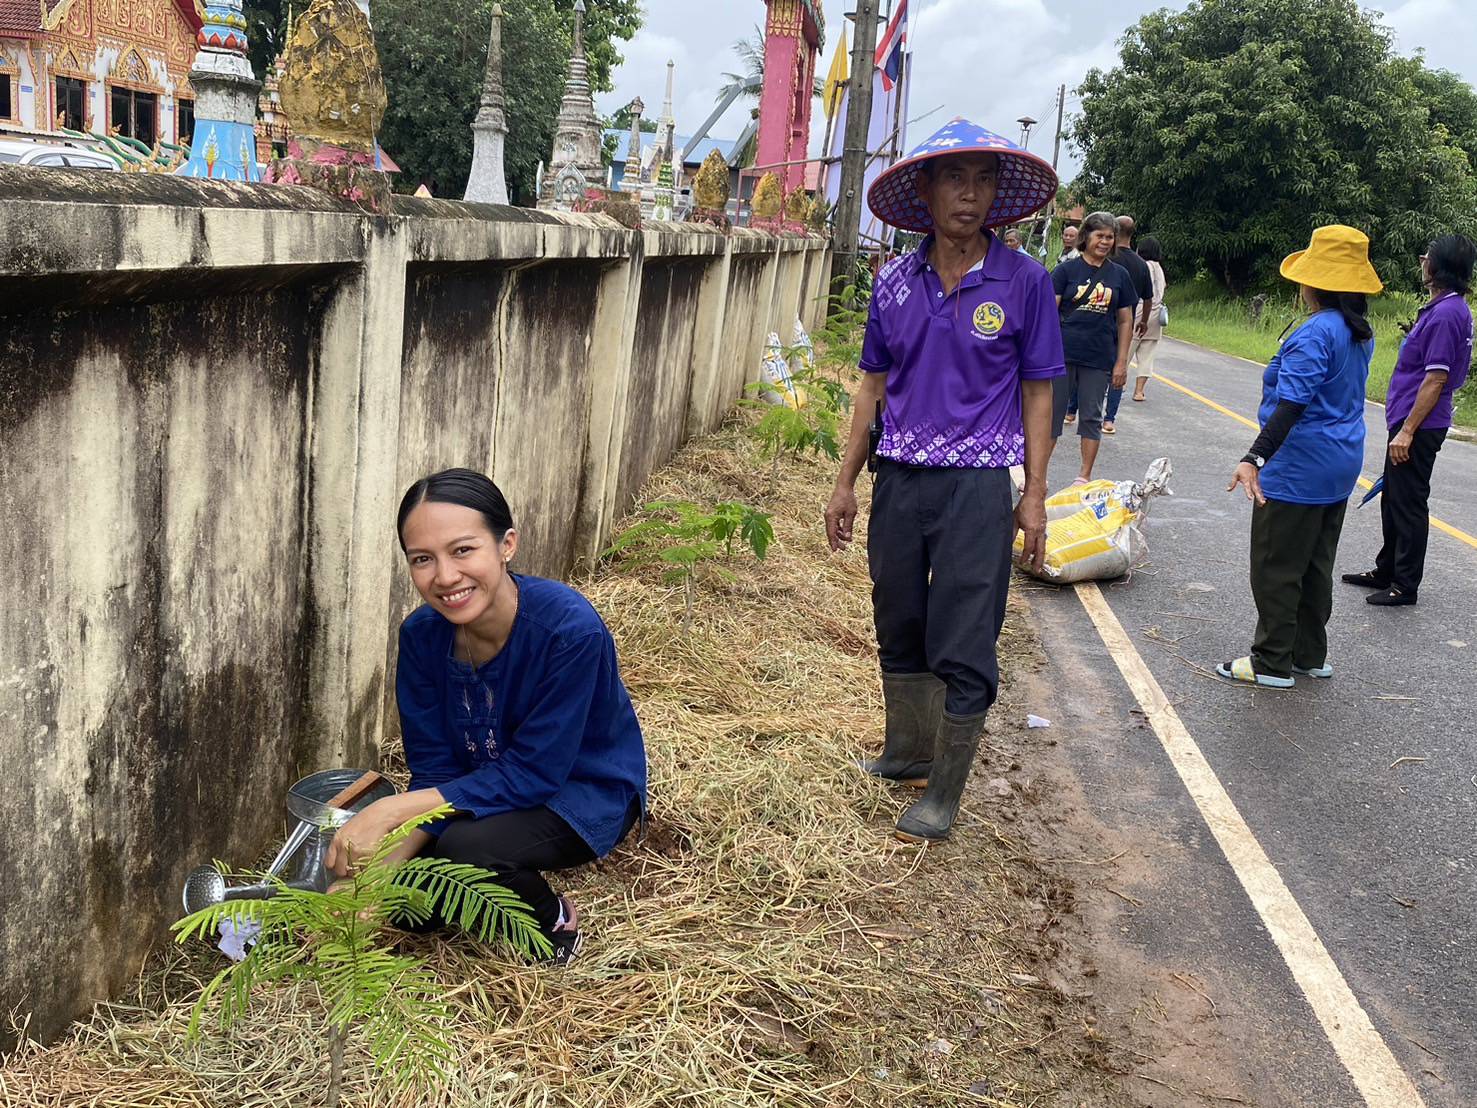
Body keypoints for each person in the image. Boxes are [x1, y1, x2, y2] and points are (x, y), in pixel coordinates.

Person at [824, 117, 1063, 843]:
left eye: (984, 179)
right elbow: (871, 386)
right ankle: (905, 751)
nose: (970, 194)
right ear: (922, 190)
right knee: (896, 617)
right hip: (899, 479)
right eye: (954, 178)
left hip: (975, 489)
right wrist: (844, 482)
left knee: (962, 637)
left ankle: (944, 795)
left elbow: (1038, 395)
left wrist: (1033, 496)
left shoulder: (1023, 283)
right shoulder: (893, 281)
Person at [324, 469, 647, 964]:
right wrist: (381, 871)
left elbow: (535, 773)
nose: (445, 577)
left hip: (582, 790)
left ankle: (553, 920)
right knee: (412, 905)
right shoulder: (421, 636)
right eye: (422, 559)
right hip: (483, 785)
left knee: (466, 852)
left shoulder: (569, 630)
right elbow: (435, 768)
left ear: (506, 545)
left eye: (463, 550)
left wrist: (390, 811)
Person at [1219, 225, 1381, 688]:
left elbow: (1293, 403)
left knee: (1276, 562)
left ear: (1314, 282)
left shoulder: (1317, 333)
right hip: (1341, 460)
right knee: (1315, 561)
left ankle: (1271, 661)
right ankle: (1309, 654)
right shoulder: (1358, 329)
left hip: (1301, 462)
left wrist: (1255, 457)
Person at [1343, 235, 1474, 606]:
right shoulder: (1442, 308)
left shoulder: (1449, 314)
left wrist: (1408, 431)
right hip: (1407, 419)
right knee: (1394, 498)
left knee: (1409, 502)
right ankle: (1386, 569)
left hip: (1420, 424)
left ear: (1441, 267)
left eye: (1428, 256)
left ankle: (1405, 584)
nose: (1422, 259)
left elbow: (1436, 378)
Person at [1050, 211, 1137, 482]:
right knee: (1050, 418)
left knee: (1091, 418)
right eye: (1100, 236)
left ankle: (1083, 478)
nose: (1105, 242)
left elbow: (1125, 320)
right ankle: (1037, 476)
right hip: (1061, 355)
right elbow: (1048, 314)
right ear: (1086, 236)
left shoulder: (1119, 275)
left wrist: (1121, 361)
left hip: (1099, 357)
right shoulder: (1066, 270)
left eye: (1110, 237)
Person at [1102, 215, 1155, 432]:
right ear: (1133, 234)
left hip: (1099, 322)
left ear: (1114, 232)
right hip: (1125, 325)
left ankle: (1071, 410)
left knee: (1087, 366)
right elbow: (1148, 298)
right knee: (1119, 367)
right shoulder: (1141, 264)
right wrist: (1142, 321)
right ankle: (1109, 419)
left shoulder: (1106, 259)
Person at [1129, 236, 1168, 402]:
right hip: (1157, 313)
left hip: (1141, 310)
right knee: (1147, 354)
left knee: (1127, 349)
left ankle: (1118, 386)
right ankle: (1139, 391)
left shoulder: (1143, 266)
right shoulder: (1159, 268)